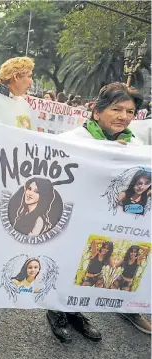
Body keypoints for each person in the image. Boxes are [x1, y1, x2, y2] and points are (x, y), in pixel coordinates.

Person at [47, 82, 150, 342]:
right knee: (64, 265)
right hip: (71, 220)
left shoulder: (135, 145)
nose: (123, 116)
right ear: (96, 112)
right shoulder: (73, 141)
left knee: (85, 268)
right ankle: (55, 311)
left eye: (129, 112)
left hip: (105, 224)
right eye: (116, 109)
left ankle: (75, 312)